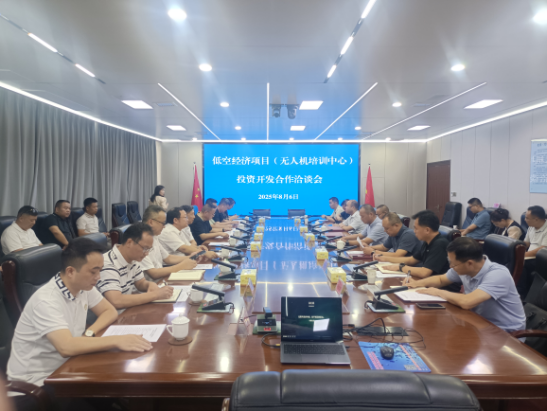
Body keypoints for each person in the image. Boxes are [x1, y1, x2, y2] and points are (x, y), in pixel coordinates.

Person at [7, 238, 152, 410]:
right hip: (37, 385)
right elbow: (66, 347)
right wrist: (117, 340)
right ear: (70, 271)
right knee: (110, 388)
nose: (98, 277)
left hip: (69, 368)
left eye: (100, 270)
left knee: (120, 386)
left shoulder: (83, 287)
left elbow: (109, 311)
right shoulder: (46, 300)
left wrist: (89, 333)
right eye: (93, 272)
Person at [405, 237, 526, 334]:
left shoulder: (498, 274)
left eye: (453, 264)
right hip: (477, 322)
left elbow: (467, 302)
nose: (451, 267)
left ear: (469, 263)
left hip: (504, 332)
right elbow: (441, 280)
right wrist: (416, 284)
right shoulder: (464, 268)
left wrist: (438, 292)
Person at [96, 223, 174, 312]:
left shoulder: (133, 259)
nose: (146, 253)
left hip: (128, 311)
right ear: (129, 242)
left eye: (149, 249)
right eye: (145, 248)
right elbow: (116, 301)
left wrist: (149, 284)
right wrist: (155, 295)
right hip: (112, 317)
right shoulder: (107, 263)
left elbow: (140, 283)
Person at [377, 210, 460, 292]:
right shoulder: (427, 242)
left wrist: (401, 267)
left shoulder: (439, 244)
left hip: (443, 289)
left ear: (427, 230)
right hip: (429, 284)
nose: (414, 231)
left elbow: (424, 272)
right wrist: (384, 258)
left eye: (416, 228)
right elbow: (411, 260)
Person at [140, 205, 200, 280]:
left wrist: (190, 258)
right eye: (162, 223)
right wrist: (181, 266)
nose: (164, 226)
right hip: (152, 283)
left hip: (161, 279)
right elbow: (153, 273)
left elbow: (168, 258)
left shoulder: (154, 236)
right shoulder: (139, 241)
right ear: (151, 222)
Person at [517, 206, 547, 297]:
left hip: (542, 258)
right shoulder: (531, 227)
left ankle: (521, 293)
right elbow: (526, 243)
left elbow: (542, 249)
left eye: (527, 218)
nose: (524, 220)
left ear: (536, 219)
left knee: (520, 263)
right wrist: (516, 248)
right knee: (512, 260)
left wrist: (522, 255)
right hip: (529, 256)